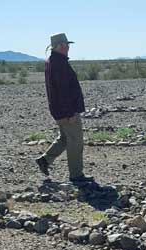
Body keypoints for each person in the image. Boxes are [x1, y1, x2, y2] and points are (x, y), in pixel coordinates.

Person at [36, 33, 94, 186]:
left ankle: (45, 160)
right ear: (58, 47)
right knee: (75, 141)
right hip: (66, 111)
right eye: (64, 45)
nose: (67, 47)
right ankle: (76, 175)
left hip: (60, 110)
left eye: (67, 44)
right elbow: (62, 91)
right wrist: (70, 113)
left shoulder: (54, 61)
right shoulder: (58, 63)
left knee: (65, 138)